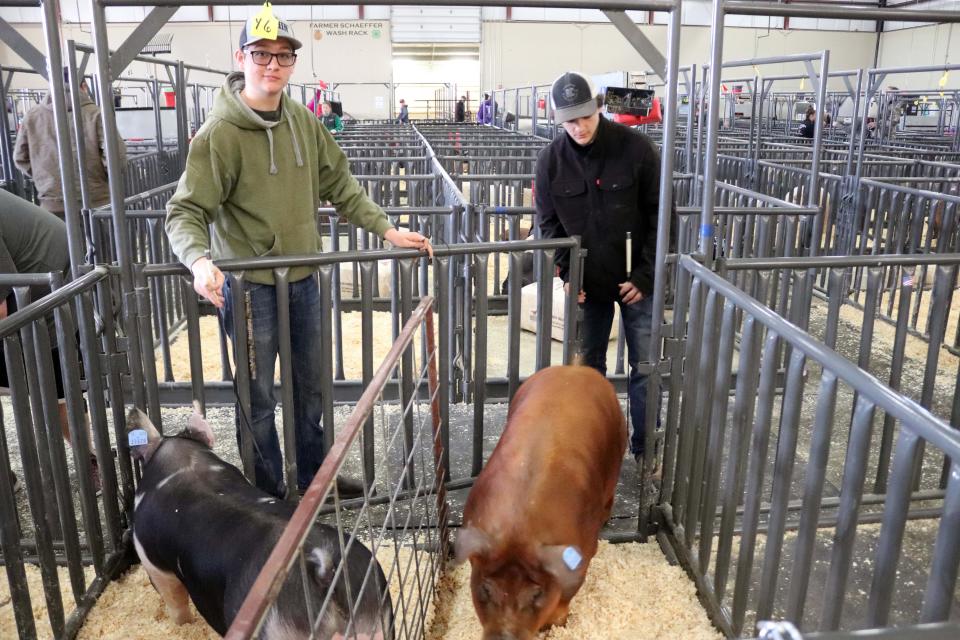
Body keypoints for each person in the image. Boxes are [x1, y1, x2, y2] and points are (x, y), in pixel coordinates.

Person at [165, 13, 432, 499]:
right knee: (258, 397)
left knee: (312, 389)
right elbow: (185, 211)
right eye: (262, 54)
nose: (273, 64)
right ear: (241, 58)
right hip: (249, 289)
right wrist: (199, 261)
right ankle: (266, 495)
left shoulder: (304, 122)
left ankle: (315, 480)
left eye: (283, 55)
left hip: (304, 278)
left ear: (292, 62)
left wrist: (387, 228)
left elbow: (341, 184)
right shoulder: (218, 134)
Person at [535, 71, 669, 463]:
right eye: (569, 121)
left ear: (598, 107)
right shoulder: (550, 162)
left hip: (635, 280)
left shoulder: (637, 149)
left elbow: (662, 217)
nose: (578, 127)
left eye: (585, 117)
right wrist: (566, 272)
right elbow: (548, 226)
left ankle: (646, 452)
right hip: (587, 282)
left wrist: (646, 275)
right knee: (587, 369)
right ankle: (591, 452)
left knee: (644, 365)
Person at [0, 188, 99, 489]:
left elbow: (2, 300)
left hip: (50, 284)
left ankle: (90, 462)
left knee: (54, 387)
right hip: (28, 282)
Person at [14, 68, 127, 219]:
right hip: (96, 201)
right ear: (84, 86)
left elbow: (20, 158)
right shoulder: (97, 114)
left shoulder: (32, 117)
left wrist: (45, 178)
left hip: (52, 204)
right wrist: (101, 178)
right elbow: (116, 157)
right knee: (101, 242)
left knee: (59, 242)